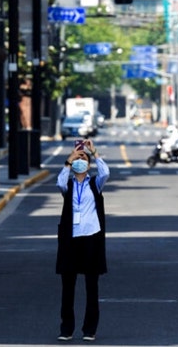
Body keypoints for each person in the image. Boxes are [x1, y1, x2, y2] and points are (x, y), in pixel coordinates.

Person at [56, 139, 110, 342]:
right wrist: (68, 161)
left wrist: (93, 152)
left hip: (91, 238)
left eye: (83, 158)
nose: (80, 160)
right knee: (68, 286)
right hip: (70, 239)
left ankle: (90, 329)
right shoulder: (67, 185)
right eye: (78, 158)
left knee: (91, 286)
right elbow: (59, 182)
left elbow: (105, 173)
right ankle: (66, 328)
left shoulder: (95, 184)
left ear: (88, 165)